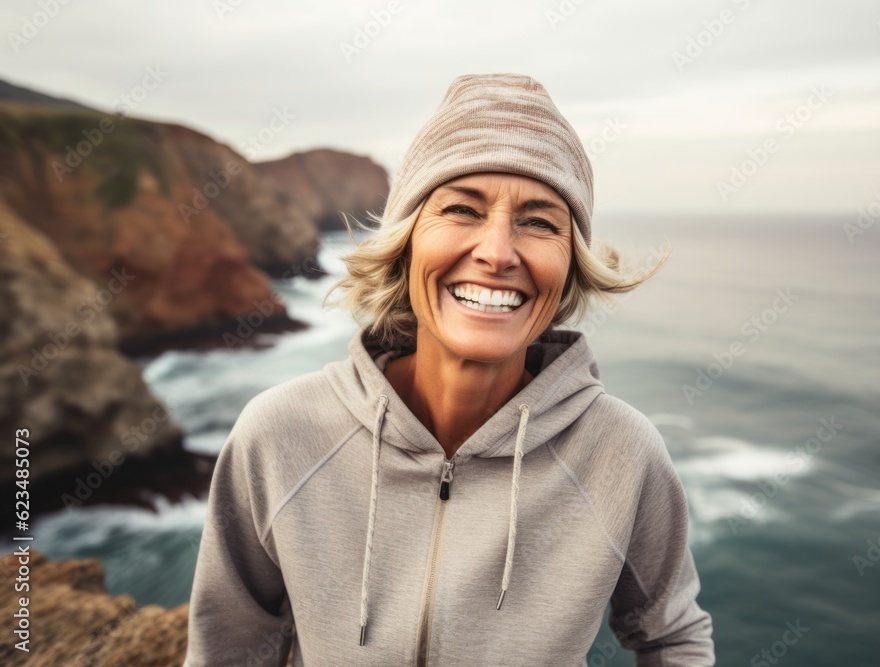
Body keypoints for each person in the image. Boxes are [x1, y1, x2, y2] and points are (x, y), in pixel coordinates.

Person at [184, 73, 714, 666]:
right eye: (461, 209)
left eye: (540, 221)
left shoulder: (622, 453)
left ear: (570, 266)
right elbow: (227, 646)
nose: (497, 252)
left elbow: (672, 637)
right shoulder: (278, 434)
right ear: (407, 242)